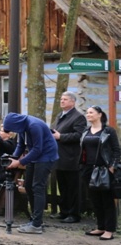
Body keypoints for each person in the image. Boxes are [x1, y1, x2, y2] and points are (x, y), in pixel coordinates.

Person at [2, 112, 58, 234]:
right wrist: (14, 157)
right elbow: (21, 145)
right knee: (28, 185)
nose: (12, 131)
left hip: (46, 156)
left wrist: (19, 162)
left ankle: (37, 224)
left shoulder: (34, 126)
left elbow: (38, 149)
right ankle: (35, 219)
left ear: (15, 125)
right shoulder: (22, 127)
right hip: (35, 156)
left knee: (38, 187)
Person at [80, 106, 120, 241]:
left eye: (91, 112)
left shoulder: (108, 131)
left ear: (99, 115)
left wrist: (112, 166)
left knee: (107, 200)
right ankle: (101, 227)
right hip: (88, 169)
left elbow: (116, 150)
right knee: (95, 200)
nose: (88, 115)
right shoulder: (86, 131)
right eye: (87, 113)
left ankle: (109, 230)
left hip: (104, 169)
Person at [50, 91, 87, 223]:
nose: (62, 101)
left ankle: (74, 214)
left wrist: (61, 137)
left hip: (71, 157)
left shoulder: (78, 117)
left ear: (72, 102)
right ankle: (64, 211)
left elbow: (79, 135)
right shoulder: (60, 115)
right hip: (59, 156)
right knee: (63, 187)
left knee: (73, 188)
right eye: (61, 99)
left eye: (65, 99)